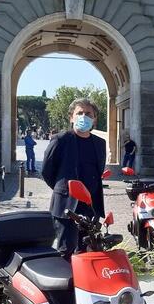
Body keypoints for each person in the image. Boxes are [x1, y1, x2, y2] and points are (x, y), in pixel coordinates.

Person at [41, 98, 106, 257]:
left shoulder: (100, 143)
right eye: (80, 113)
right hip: (67, 206)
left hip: (91, 207)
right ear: (71, 117)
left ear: (94, 118)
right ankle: (66, 282)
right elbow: (47, 171)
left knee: (87, 253)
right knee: (66, 252)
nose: (84, 116)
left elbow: (98, 171)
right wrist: (64, 190)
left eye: (88, 113)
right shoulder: (61, 140)